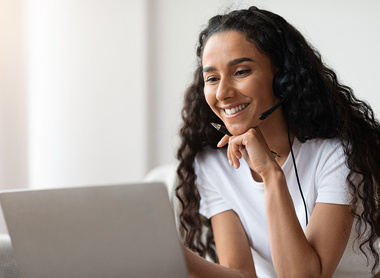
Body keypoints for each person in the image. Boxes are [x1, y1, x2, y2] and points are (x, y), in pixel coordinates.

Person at [175, 6, 380, 278]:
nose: (223, 93)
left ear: (283, 79)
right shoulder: (214, 162)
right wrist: (172, 253)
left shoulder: (338, 155)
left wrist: (271, 174)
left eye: (241, 72)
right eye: (212, 78)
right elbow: (241, 273)